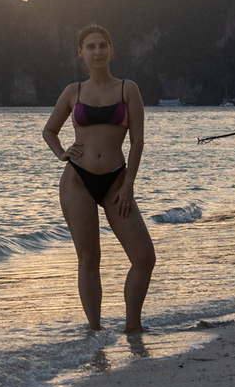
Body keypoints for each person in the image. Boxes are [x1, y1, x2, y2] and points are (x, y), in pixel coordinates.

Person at [42, 22, 155, 336]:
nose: (97, 51)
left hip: (117, 182)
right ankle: (95, 333)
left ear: (110, 50)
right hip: (77, 182)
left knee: (144, 257)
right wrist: (61, 153)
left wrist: (129, 184)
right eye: (90, 47)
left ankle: (133, 326)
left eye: (102, 45)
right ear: (81, 53)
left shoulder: (127, 89)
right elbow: (49, 131)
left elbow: (137, 142)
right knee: (89, 258)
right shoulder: (73, 91)